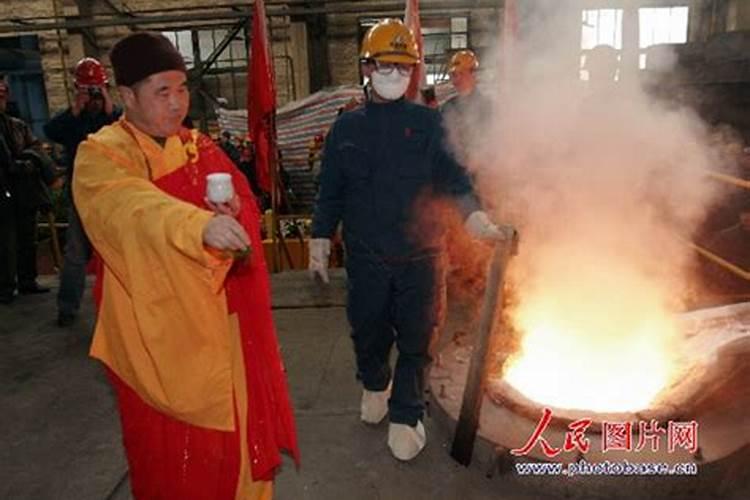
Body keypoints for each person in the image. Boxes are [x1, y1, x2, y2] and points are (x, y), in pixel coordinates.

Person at [72, 32, 298, 498]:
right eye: (162, 91)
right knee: (170, 452)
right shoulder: (103, 155)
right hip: (155, 335)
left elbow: (246, 205)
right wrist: (196, 228)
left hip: (219, 321)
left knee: (235, 434)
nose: (177, 104)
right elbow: (129, 209)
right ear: (126, 96)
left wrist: (235, 212)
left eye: (182, 89)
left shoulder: (198, 146)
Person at [308, 19, 515, 461]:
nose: (393, 74)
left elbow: (455, 178)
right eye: (384, 65)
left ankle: (406, 413)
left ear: (413, 72)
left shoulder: (430, 125)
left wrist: (475, 216)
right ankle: (376, 380)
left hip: (422, 256)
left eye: (402, 67)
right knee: (368, 331)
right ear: (367, 67)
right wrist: (320, 236)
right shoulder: (347, 129)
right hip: (366, 257)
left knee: (419, 338)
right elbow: (330, 190)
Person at [44, 57, 121, 326]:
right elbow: (50, 131)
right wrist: (76, 108)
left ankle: (124, 305)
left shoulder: (113, 118)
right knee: (76, 252)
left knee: (120, 250)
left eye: (96, 91)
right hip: (82, 194)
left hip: (114, 193)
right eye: (89, 91)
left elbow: (130, 130)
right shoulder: (72, 122)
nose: (93, 97)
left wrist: (108, 104)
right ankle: (67, 308)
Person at [0, 76, 59, 304]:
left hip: (23, 191)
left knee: (26, 238)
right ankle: (6, 287)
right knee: (6, 242)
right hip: (5, 192)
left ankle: (26, 280)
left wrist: (27, 162)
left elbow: (34, 149)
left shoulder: (17, 125)